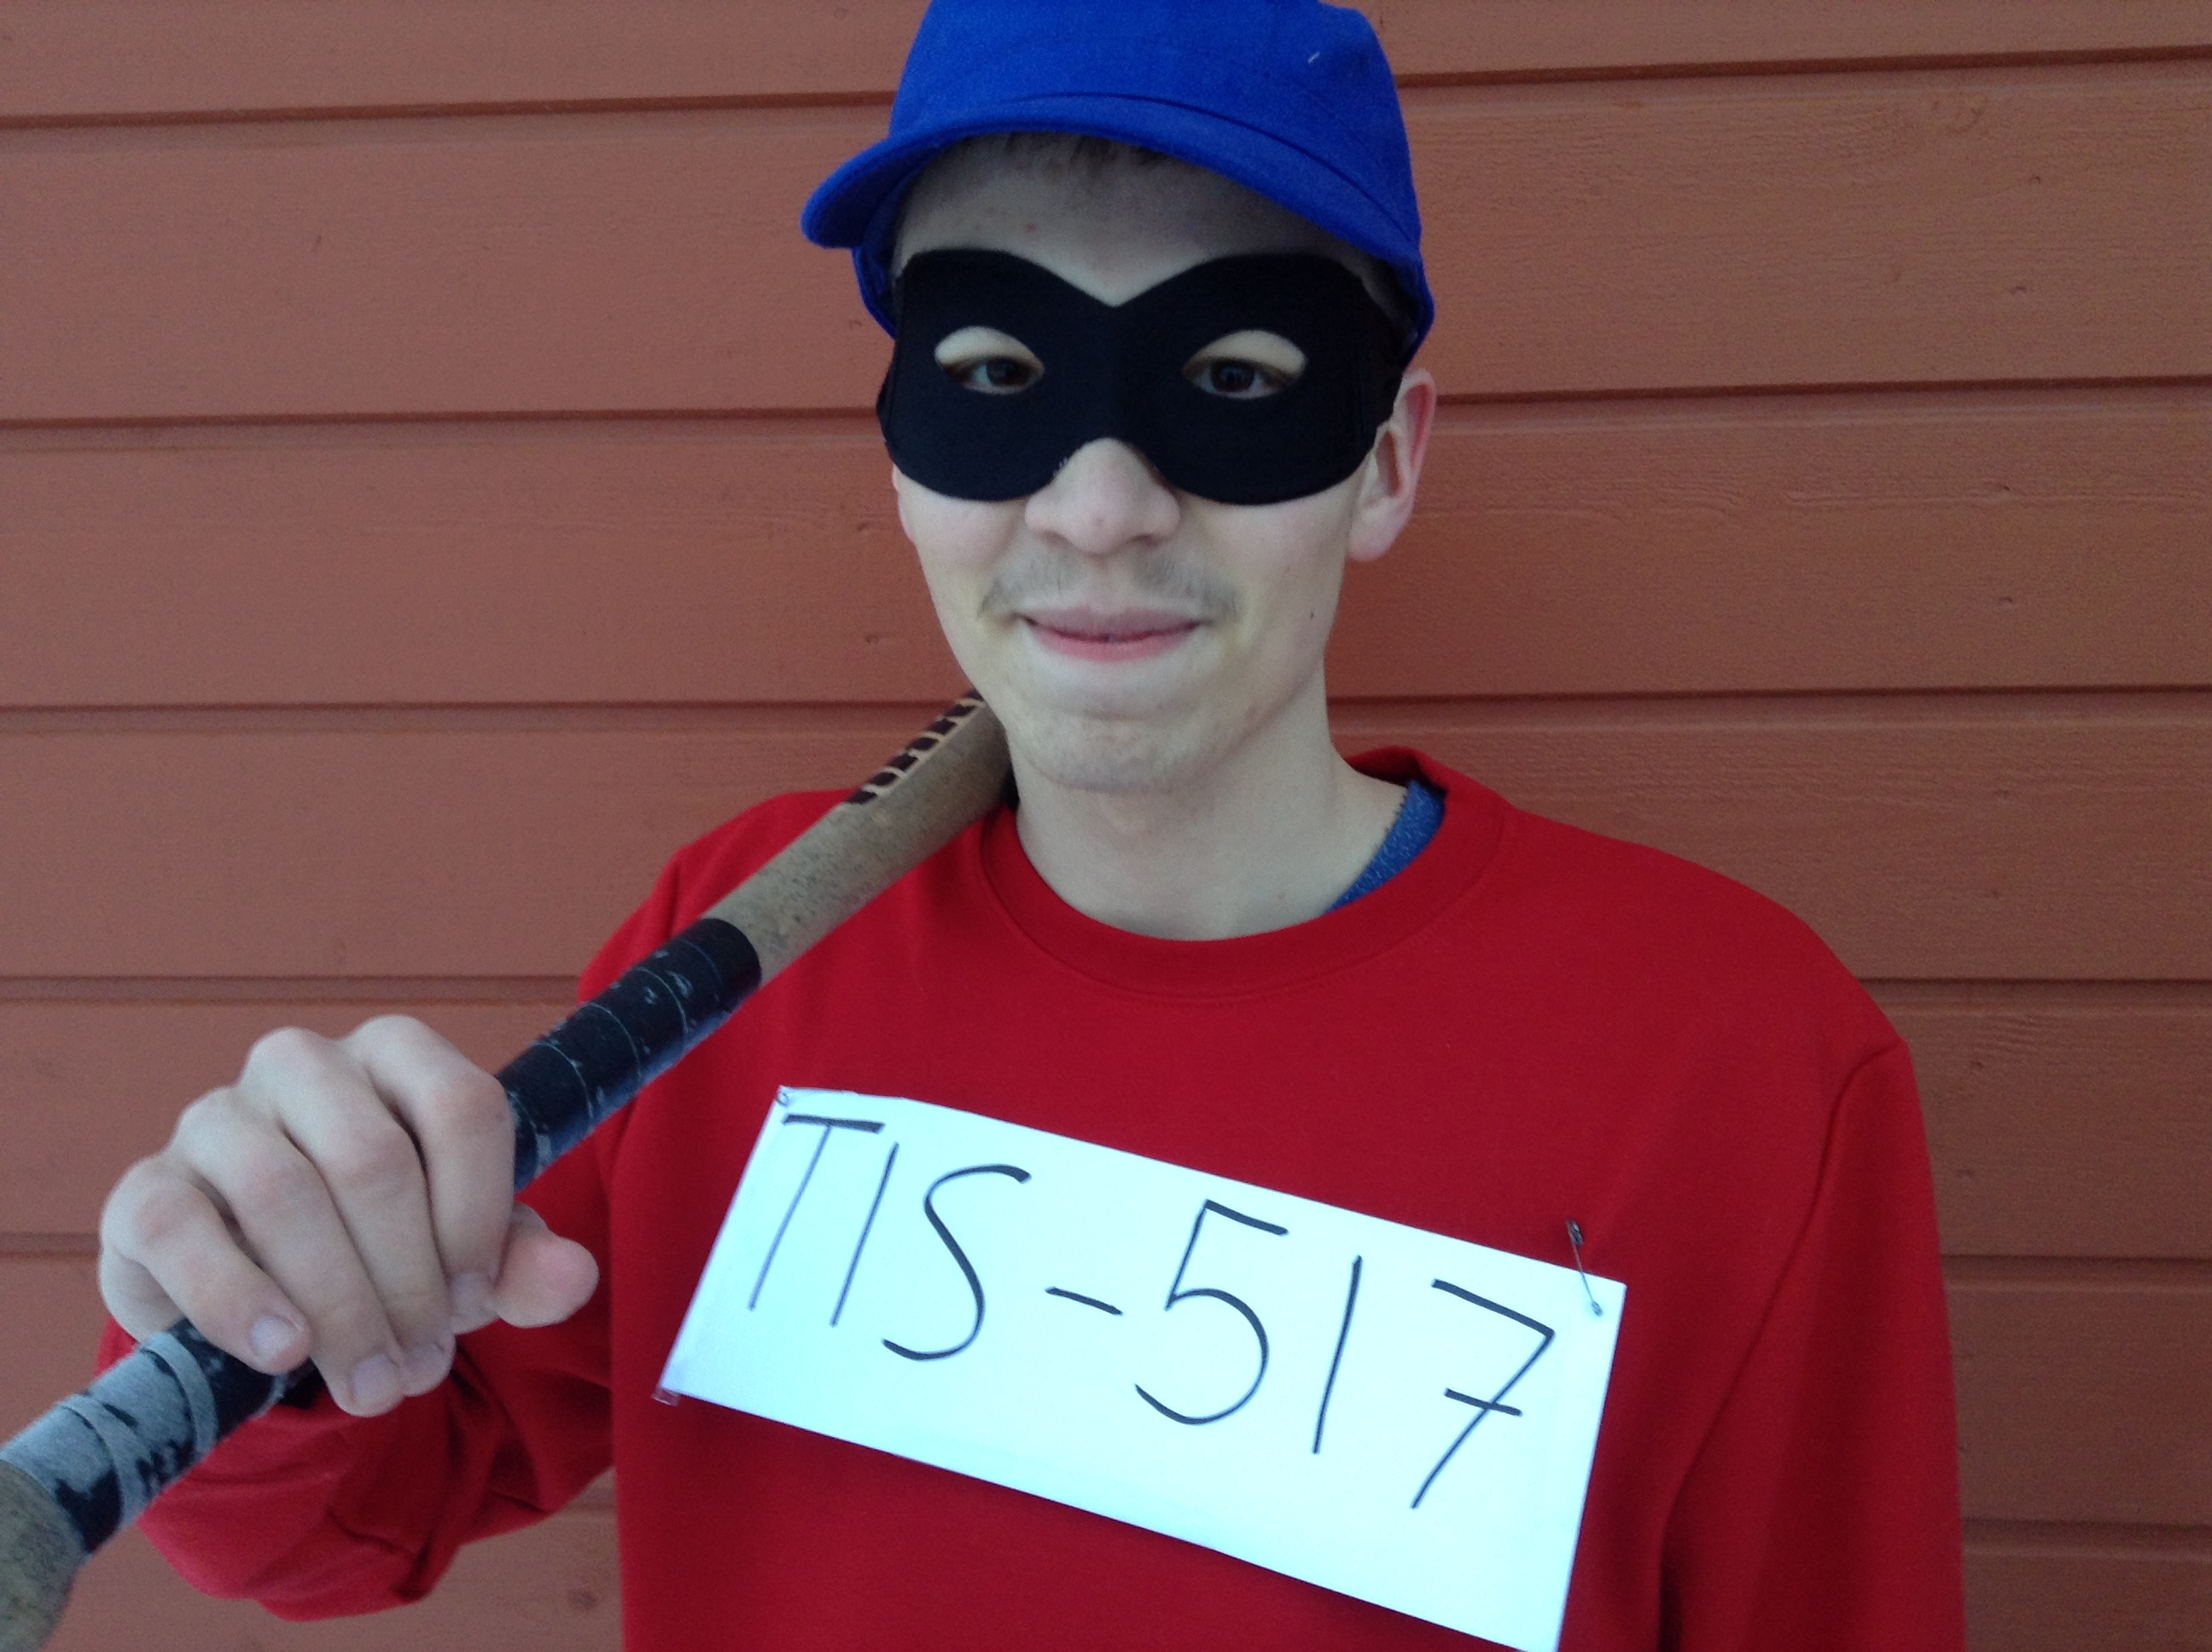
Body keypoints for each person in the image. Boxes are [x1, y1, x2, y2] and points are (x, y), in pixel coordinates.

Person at [91, 1, 1966, 1646]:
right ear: (905, 454)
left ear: (1386, 458)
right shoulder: (743, 942)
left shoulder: (1736, 1056)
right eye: (998, 380)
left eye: (1235, 385)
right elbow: (344, 1511)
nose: (1096, 505)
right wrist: (252, 1289)